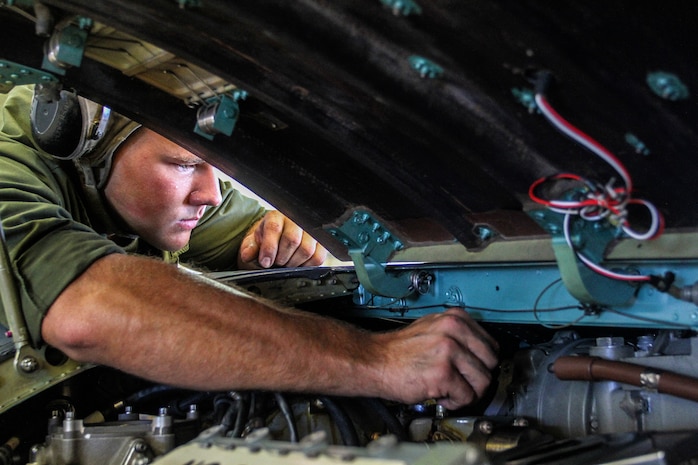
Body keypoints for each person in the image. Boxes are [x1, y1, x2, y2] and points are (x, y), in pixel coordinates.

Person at [0, 84, 498, 410]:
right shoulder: (8, 162)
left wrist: (283, 238)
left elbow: (277, 243)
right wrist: (375, 361)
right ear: (87, 136)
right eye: (182, 164)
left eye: (219, 169)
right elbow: (84, 312)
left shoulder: (172, 194)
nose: (211, 195)